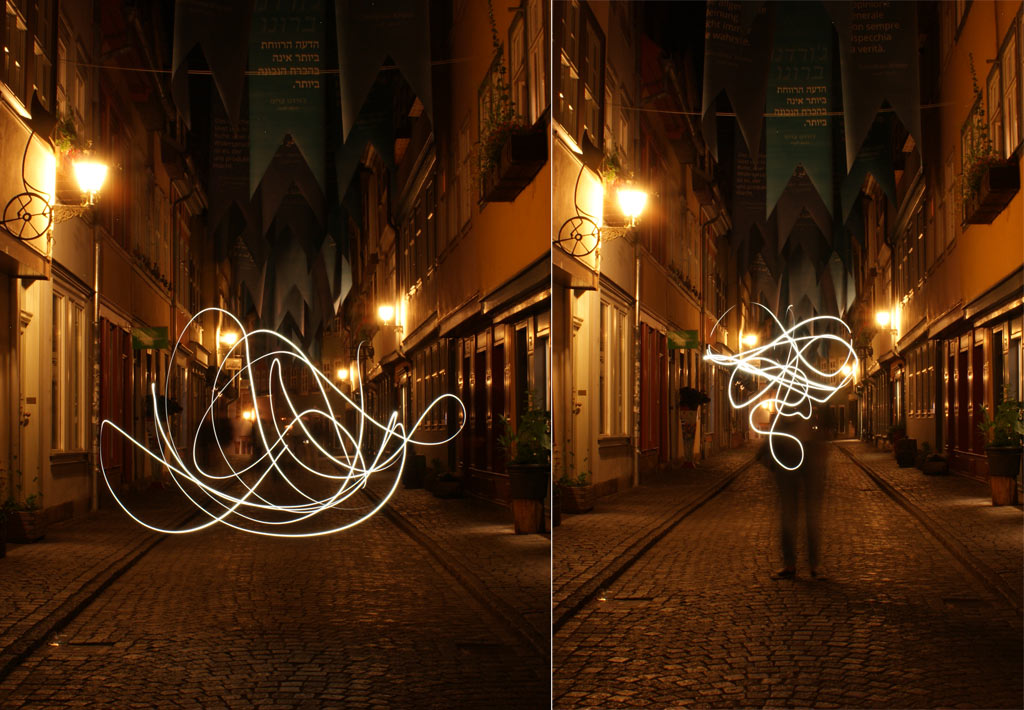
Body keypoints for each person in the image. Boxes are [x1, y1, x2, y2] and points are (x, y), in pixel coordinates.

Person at [757, 409, 828, 580]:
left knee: (810, 516)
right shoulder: (781, 419)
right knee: (790, 515)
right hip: (787, 458)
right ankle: (792, 564)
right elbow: (766, 447)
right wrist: (774, 464)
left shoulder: (809, 411)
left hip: (809, 458)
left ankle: (814, 565)